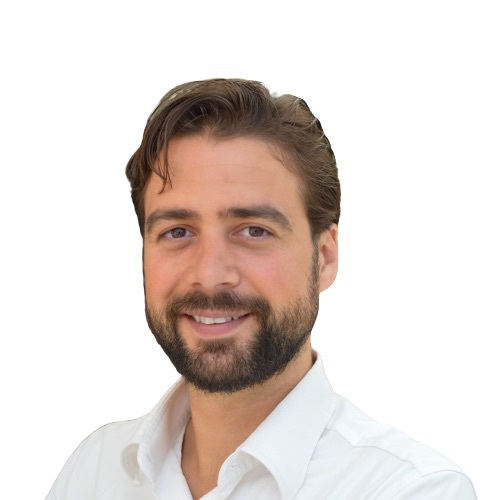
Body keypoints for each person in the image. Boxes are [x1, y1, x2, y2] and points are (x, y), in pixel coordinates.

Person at [46, 78, 476, 499]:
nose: (210, 274)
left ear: (324, 257)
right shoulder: (94, 470)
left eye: (253, 230)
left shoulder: (412, 489)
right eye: (178, 231)